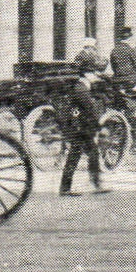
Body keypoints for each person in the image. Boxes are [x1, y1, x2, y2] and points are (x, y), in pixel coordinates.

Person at [57, 62, 108, 196]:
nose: (96, 76)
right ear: (86, 74)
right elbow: (89, 109)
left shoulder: (82, 87)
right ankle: (67, 188)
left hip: (81, 127)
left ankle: (93, 184)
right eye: (93, 73)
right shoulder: (81, 89)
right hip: (79, 128)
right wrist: (98, 127)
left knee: (89, 154)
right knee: (77, 155)